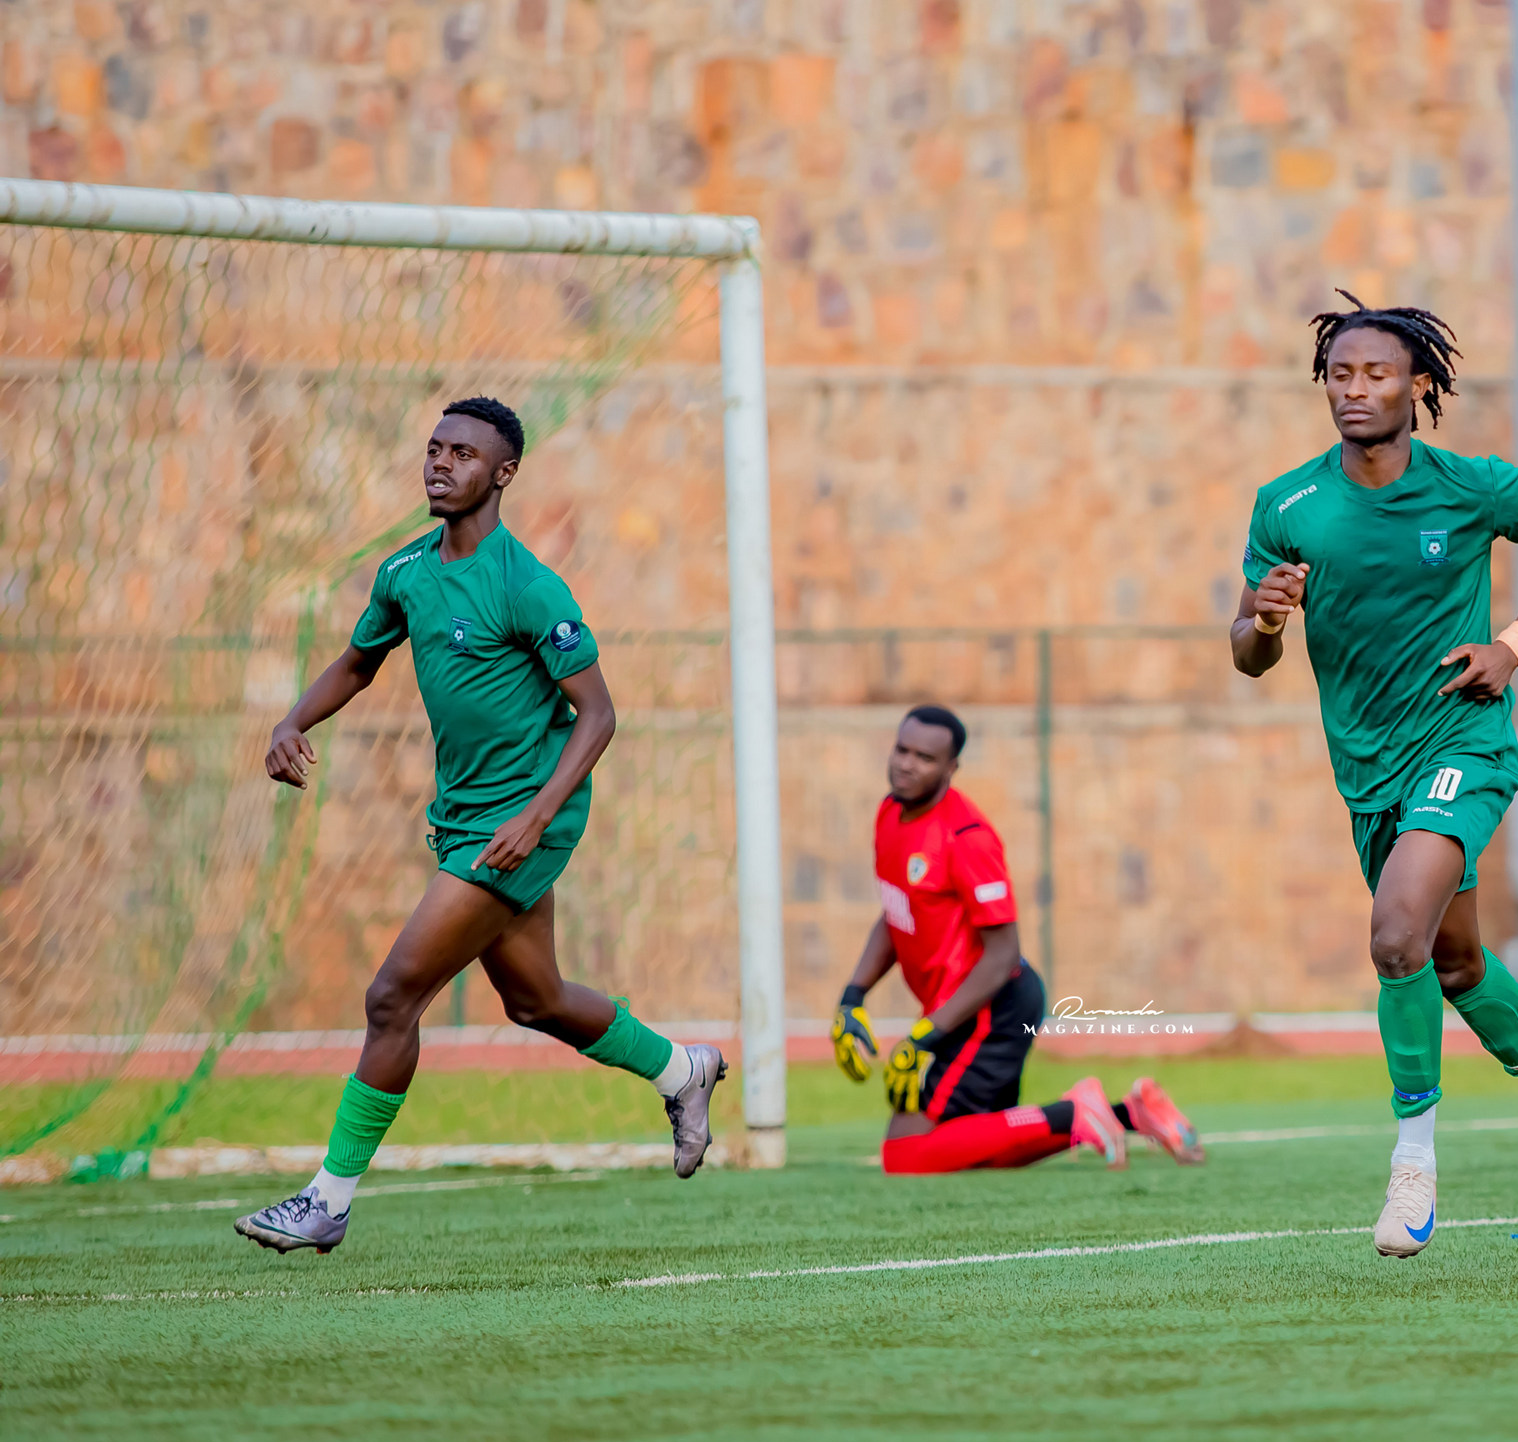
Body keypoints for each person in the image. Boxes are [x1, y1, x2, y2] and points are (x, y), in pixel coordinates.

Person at [234, 397, 725, 1255]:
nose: (440, 462)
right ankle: (684, 1069)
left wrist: (535, 816)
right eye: (434, 448)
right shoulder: (404, 572)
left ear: (503, 473)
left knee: (393, 995)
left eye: (462, 453)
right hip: (465, 817)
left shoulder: (527, 585)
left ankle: (326, 1201)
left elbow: (599, 714)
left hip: (526, 816)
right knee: (535, 999)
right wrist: (292, 720)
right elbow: (358, 661)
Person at [1231, 293, 1518, 1258]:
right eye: (1340, 374)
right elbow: (1249, 654)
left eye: (1377, 374)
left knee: (1396, 935)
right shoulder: (1288, 505)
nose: (1354, 390)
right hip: (1369, 770)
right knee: (1454, 961)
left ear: (1418, 385)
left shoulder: (1471, 486)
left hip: (1463, 743)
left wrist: (1513, 646)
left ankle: (1413, 1164)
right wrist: (1264, 618)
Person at [830, 705, 1205, 1173]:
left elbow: (1003, 953)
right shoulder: (890, 814)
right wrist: (853, 996)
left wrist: (927, 1034)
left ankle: (1074, 1112)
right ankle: (1131, 1113)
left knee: (906, 1155)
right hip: (956, 1008)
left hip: (992, 1007)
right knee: (978, 1146)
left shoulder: (966, 837)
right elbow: (896, 912)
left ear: (951, 768)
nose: (907, 764)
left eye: (925, 758)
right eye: (902, 750)